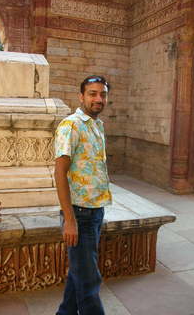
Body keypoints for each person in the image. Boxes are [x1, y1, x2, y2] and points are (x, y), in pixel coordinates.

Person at [54, 75, 112, 315]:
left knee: (79, 275)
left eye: (103, 94)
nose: (98, 99)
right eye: (92, 93)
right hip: (79, 214)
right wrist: (69, 219)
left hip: (95, 212)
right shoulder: (71, 125)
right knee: (89, 285)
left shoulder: (97, 125)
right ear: (81, 96)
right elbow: (59, 173)